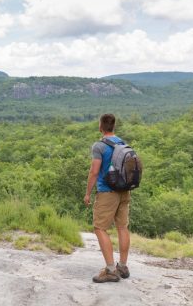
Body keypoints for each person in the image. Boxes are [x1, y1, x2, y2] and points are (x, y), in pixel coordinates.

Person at [84, 113, 131, 283]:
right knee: (122, 227)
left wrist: (88, 193)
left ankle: (110, 270)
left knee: (100, 228)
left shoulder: (99, 146)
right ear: (114, 126)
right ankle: (123, 266)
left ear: (100, 126)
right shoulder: (123, 143)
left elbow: (94, 171)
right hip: (124, 191)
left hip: (107, 192)